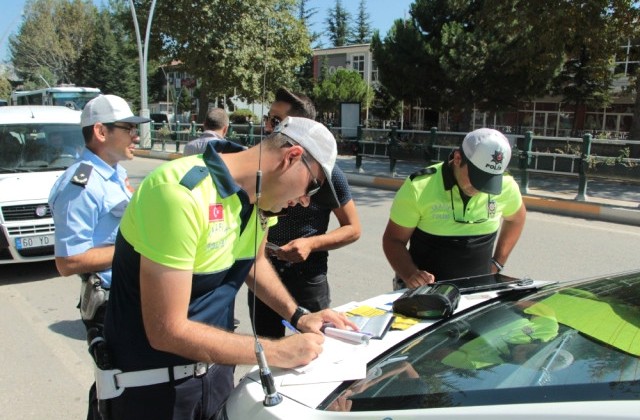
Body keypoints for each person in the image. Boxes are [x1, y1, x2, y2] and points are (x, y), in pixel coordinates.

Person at [102, 116, 357, 419]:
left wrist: (299, 316)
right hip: (152, 391)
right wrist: (276, 351)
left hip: (216, 379)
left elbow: (254, 261)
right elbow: (166, 330)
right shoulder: (179, 194)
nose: (304, 202)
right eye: (311, 188)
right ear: (291, 157)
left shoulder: (261, 201)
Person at [249, 87, 361, 338]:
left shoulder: (328, 173)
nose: (268, 127)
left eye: (277, 122)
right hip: (262, 273)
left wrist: (310, 244)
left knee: (318, 345)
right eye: (268, 119)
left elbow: (353, 228)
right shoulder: (257, 168)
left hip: (308, 276)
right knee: (268, 346)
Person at [49, 94, 151, 331]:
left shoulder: (117, 173)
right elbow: (68, 261)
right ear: (101, 132)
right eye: (129, 128)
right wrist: (141, 248)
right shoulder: (81, 186)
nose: (136, 136)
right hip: (112, 302)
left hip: (133, 294)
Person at [382, 128, 526, 289]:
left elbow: (517, 219)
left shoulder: (506, 186)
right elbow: (393, 240)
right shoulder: (419, 187)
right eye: (477, 177)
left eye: (489, 180)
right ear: (458, 158)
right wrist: (410, 274)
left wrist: (498, 262)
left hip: (478, 294)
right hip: (425, 296)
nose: (480, 188)